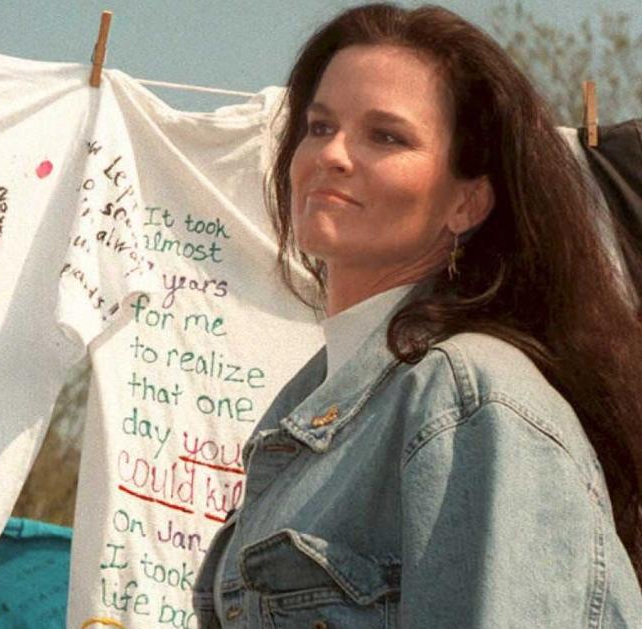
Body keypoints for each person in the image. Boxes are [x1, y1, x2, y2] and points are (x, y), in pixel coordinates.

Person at [192, 4, 642, 627]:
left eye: (386, 136)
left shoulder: (469, 400)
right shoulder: (320, 405)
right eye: (320, 127)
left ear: (467, 201)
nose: (333, 155)